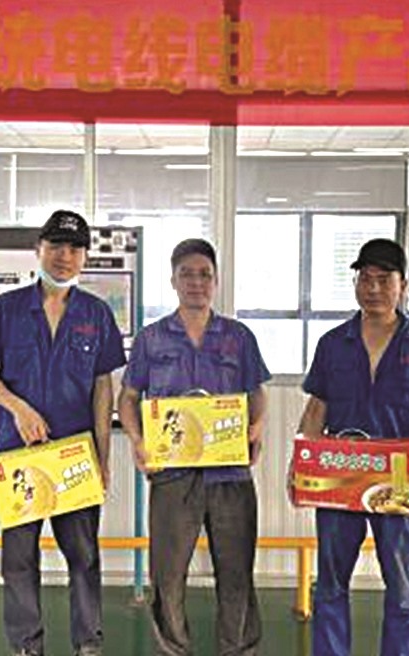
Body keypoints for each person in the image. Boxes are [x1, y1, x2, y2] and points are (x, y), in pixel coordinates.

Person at [0, 209, 126, 656]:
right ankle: (26, 645)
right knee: (19, 559)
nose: (64, 256)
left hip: (74, 457)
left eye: (74, 248)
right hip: (18, 456)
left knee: (84, 556)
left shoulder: (96, 314)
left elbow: (102, 389)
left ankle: (87, 643)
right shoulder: (8, 308)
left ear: (85, 257)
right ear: (39, 250)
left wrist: (104, 458)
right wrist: (17, 407)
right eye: (56, 246)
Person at [296, 238, 409, 656]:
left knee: (403, 587)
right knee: (330, 583)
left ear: (402, 285)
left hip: (398, 478)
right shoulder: (333, 343)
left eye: (383, 279)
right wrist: (300, 466)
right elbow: (316, 409)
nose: (373, 288)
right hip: (338, 476)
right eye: (365, 278)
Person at [118, 238, 271, 656]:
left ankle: (237, 650)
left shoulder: (238, 337)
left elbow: (256, 392)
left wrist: (257, 427)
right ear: (173, 280)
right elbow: (128, 397)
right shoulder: (152, 339)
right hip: (172, 476)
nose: (196, 282)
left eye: (205, 274)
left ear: (216, 281)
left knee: (237, 575)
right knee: (167, 577)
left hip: (230, 475)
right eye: (186, 273)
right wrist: (137, 440)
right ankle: (173, 650)